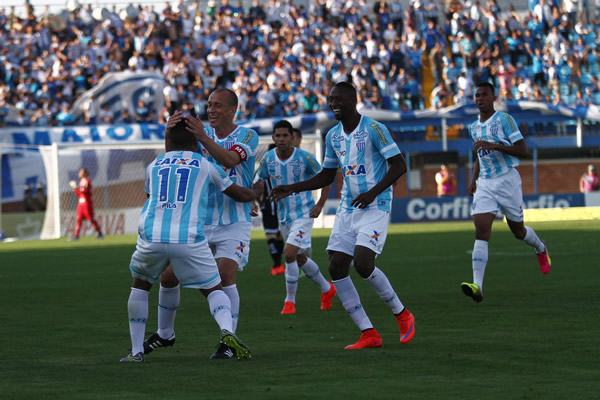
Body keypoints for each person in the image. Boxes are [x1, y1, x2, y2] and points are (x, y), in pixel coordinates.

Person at [270, 82, 415, 349]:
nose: (333, 103)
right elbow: (327, 175)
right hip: (349, 207)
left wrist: (372, 193)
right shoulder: (333, 136)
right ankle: (368, 333)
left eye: (338, 99)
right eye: (330, 99)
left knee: (362, 263)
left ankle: (402, 314)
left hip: (376, 204)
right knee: (336, 266)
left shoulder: (374, 129)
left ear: (352, 99)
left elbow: (399, 165)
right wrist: (292, 187)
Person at [120, 119, 256, 363]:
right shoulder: (204, 164)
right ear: (196, 143)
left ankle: (136, 351)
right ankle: (227, 332)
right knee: (215, 288)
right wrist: (256, 194)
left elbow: (151, 196)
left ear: (168, 141)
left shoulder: (153, 165)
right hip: (188, 236)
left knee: (140, 286)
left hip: (151, 235)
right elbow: (239, 193)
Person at [461, 82, 551, 303]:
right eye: (477, 96)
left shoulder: (504, 120)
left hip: (507, 181)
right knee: (481, 229)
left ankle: (540, 247)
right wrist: (473, 180)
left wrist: (495, 145)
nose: (480, 99)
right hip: (485, 184)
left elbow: (523, 150)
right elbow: (479, 156)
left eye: (484, 95)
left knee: (518, 232)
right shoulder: (473, 127)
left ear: (493, 97)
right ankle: (477, 286)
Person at [256, 119, 336, 315]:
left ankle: (289, 303)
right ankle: (327, 289)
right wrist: (252, 199)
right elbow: (259, 180)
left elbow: (326, 178)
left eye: (285, 136)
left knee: (289, 254)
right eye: (278, 136)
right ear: (273, 138)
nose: (282, 139)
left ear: (292, 137)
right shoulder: (268, 159)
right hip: (284, 216)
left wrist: (319, 205)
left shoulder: (305, 158)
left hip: (304, 213)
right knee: (299, 258)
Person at [257, 143, 285, 276]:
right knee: (279, 235)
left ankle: (277, 264)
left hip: (267, 206)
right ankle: (279, 264)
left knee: (272, 235)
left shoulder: (262, 168)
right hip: (282, 205)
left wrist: (258, 201)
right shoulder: (284, 167)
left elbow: (255, 186)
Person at [69, 168, 103, 241]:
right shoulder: (81, 182)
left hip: (86, 203)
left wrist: (77, 189)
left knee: (90, 218)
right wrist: (75, 189)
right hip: (80, 203)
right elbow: (79, 194)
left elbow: (86, 192)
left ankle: (99, 233)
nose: (79, 173)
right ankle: (76, 235)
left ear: (85, 173)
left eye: (81, 172)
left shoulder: (87, 181)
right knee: (79, 219)